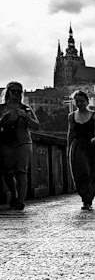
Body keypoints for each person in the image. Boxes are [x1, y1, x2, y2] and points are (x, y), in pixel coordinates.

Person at [0, 81, 40, 210]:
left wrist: (26, 117)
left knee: (21, 172)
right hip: (6, 143)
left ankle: (20, 201)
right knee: (8, 173)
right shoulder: (1, 108)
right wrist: (3, 120)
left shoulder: (26, 108)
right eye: (14, 91)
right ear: (8, 92)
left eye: (19, 91)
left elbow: (37, 126)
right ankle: (14, 194)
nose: (17, 94)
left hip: (23, 142)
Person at [67, 90, 95, 210]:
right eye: (77, 101)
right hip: (76, 146)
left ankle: (88, 198)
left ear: (87, 101)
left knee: (91, 172)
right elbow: (70, 133)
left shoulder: (94, 115)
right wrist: (68, 148)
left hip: (91, 145)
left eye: (82, 101)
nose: (79, 103)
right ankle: (84, 197)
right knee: (79, 173)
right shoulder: (71, 116)